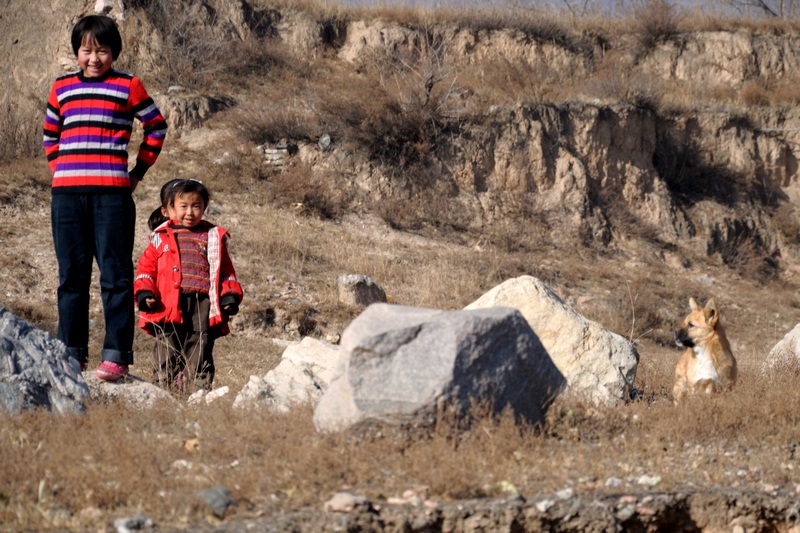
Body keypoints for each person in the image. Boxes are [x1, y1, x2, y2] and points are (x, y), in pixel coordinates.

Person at [42, 14, 168, 380]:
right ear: (76, 52)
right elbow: (50, 135)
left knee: (115, 276)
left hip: (112, 196)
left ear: (114, 53)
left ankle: (116, 355)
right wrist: (61, 169)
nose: (94, 58)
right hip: (66, 196)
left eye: (102, 51)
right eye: (87, 50)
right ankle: (71, 355)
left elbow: (156, 127)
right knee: (71, 278)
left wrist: (137, 175)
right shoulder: (61, 88)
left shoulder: (129, 85)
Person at [134, 179, 243, 392]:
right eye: (183, 206)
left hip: (202, 303)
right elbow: (146, 268)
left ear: (204, 207)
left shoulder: (212, 237)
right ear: (167, 210)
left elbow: (227, 272)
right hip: (167, 303)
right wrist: (144, 292)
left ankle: (199, 392)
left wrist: (229, 296)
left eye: (196, 206)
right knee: (167, 345)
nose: (190, 212)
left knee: (200, 344)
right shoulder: (160, 238)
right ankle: (164, 391)